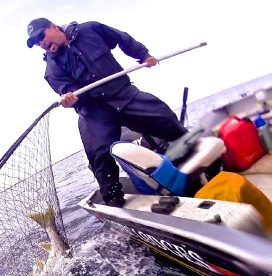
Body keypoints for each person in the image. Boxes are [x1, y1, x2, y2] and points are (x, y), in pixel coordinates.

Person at [26, 18, 188, 207]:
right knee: (99, 156)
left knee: (166, 118)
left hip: (124, 94)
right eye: (37, 43)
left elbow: (121, 38)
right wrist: (71, 100)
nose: (41, 44)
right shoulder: (52, 70)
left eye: (41, 37)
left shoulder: (90, 29)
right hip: (95, 111)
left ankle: (194, 157)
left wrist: (143, 55)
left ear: (53, 27)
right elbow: (70, 93)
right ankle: (113, 201)